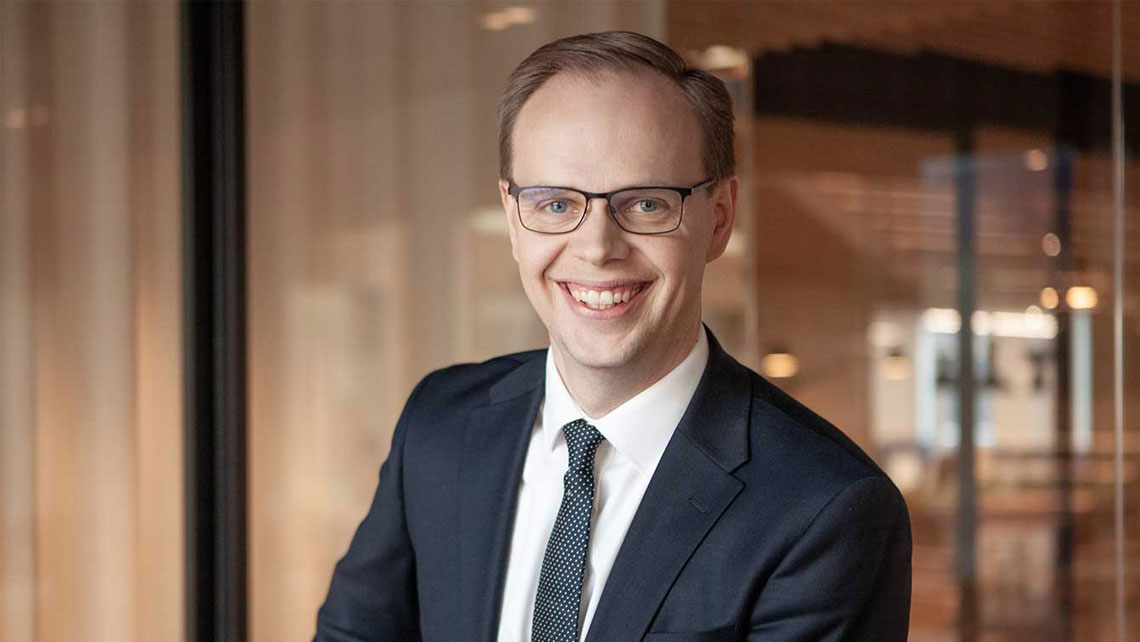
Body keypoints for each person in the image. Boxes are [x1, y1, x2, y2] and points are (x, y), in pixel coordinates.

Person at [314, 31, 911, 642]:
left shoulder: (824, 509)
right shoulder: (439, 424)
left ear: (719, 218)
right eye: (553, 205)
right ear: (514, 219)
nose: (597, 247)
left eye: (646, 204)